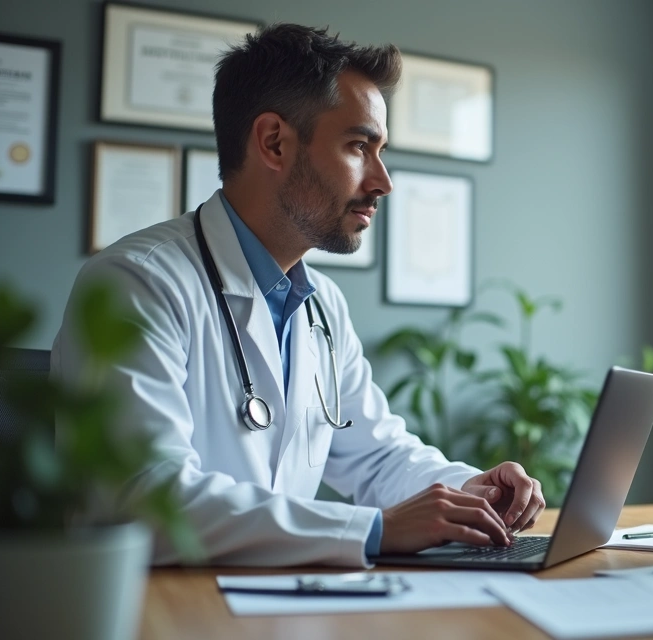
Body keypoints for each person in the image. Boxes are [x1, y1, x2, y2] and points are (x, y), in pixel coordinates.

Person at [51, 24, 544, 566]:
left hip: (278, 600)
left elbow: (377, 457)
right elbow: (142, 498)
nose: (383, 181)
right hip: (167, 606)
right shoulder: (137, 283)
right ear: (274, 142)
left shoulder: (322, 304)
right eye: (359, 146)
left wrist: (470, 491)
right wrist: (373, 530)